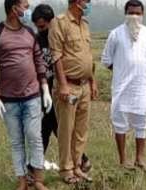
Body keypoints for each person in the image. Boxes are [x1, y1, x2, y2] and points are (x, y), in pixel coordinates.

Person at [0, 0, 52, 190]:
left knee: (34, 137)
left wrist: (45, 88)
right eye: (25, 6)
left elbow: (38, 61)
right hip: (8, 100)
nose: (27, 10)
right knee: (16, 141)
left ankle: (38, 181)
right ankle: (22, 183)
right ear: (14, 8)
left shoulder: (30, 33)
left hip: (32, 96)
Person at [101, 0, 146, 172]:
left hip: (141, 87)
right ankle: (123, 160)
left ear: (143, 15)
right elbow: (106, 60)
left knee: (142, 120)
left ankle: (140, 158)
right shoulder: (115, 34)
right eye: (131, 13)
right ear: (125, 14)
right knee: (120, 122)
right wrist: (121, 70)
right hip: (121, 87)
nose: (134, 16)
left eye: (137, 13)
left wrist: (141, 69)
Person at [30, 4, 90, 172]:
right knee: (52, 126)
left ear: (51, 22)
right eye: (37, 26)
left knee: (54, 127)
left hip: (59, 88)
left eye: (42, 26)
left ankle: (34, 167)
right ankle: (79, 160)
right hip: (44, 90)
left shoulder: (58, 35)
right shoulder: (36, 41)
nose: (40, 29)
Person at [49, 0, 97, 184]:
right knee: (66, 129)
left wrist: (93, 81)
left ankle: (77, 165)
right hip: (68, 85)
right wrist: (62, 85)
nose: (89, 4)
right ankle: (66, 169)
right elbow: (57, 56)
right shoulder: (59, 22)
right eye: (87, 1)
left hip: (84, 84)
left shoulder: (84, 25)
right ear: (77, 2)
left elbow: (88, 55)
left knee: (81, 130)